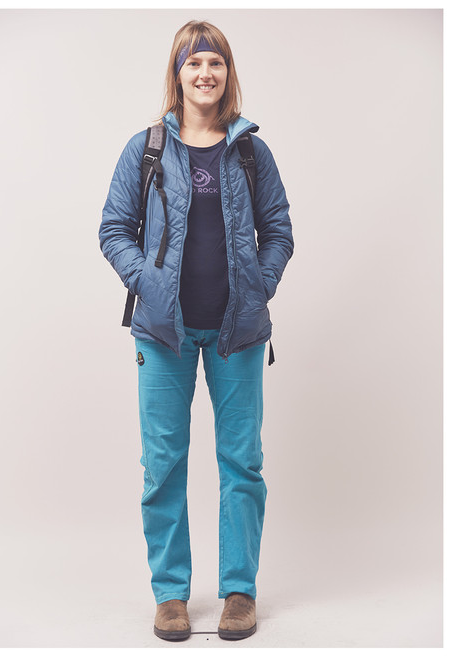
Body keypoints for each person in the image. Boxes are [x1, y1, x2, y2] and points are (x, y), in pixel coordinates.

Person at [99, 20, 293, 642]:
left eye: (215, 62)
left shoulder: (250, 150)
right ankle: (171, 595)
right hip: (163, 335)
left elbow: (280, 231)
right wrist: (151, 286)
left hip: (238, 331)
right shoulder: (147, 148)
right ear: (177, 74)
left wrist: (258, 287)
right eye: (193, 63)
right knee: (163, 464)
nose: (204, 73)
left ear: (228, 74)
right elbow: (113, 230)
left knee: (242, 463)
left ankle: (240, 591)